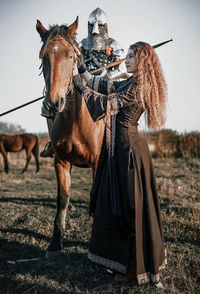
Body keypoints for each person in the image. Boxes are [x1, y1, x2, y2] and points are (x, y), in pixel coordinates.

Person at [72, 41, 167, 288]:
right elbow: (103, 85)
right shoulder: (129, 81)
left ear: (143, 60)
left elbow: (107, 104)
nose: (127, 60)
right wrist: (82, 70)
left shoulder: (140, 86)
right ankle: (122, 259)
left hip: (129, 152)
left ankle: (136, 268)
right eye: (127, 55)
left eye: (132, 56)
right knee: (118, 207)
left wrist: (82, 90)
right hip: (117, 150)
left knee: (131, 208)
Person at [40, 7, 129, 158]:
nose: (95, 29)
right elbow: (75, 62)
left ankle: (121, 144)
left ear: (105, 26)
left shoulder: (113, 44)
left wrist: (106, 75)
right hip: (84, 81)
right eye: (92, 25)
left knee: (119, 108)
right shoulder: (82, 44)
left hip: (105, 83)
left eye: (99, 26)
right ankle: (53, 144)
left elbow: (119, 70)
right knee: (47, 105)